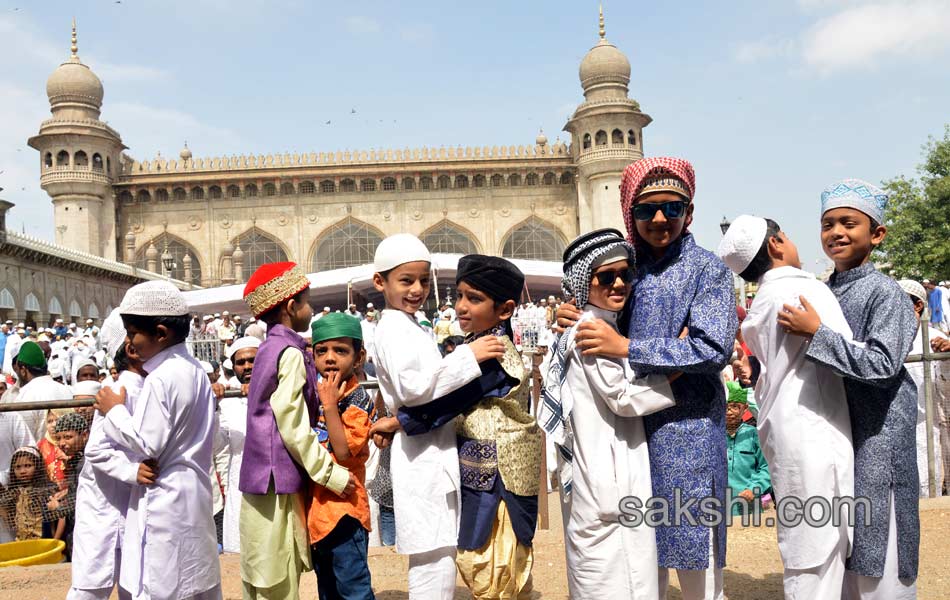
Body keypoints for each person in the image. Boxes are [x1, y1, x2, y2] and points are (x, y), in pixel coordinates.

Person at [556, 157, 736, 600]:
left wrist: (628, 348)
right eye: (646, 210)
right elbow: (603, 313)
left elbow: (713, 349)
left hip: (687, 433)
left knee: (697, 562)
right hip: (631, 440)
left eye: (672, 209)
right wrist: (579, 311)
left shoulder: (706, 270)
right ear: (629, 214)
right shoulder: (628, 266)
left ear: (688, 213)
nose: (659, 219)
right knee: (639, 560)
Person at [779, 179, 919, 599]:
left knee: (884, 555)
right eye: (827, 224)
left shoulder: (885, 293)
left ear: (876, 234)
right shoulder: (825, 289)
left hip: (879, 436)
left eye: (848, 223)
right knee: (849, 553)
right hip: (842, 434)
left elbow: (882, 364)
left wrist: (817, 334)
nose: (836, 232)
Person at [385, 255, 542, 598]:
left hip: (501, 474)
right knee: (483, 559)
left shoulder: (493, 352)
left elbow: (450, 402)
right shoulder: (476, 345)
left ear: (505, 309)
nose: (461, 307)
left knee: (496, 564)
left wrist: (398, 422)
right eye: (459, 296)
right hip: (483, 469)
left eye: (474, 299)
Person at [718, 215, 855, 597]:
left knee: (804, 545)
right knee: (820, 551)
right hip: (815, 428)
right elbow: (852, 357)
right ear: (777, 244)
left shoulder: (762, 299)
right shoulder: (803, 290)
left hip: (788, 427)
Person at [539, 230, 678, 598]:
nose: (619, 284)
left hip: (606, 473)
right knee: (614, 579)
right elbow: (622, 397)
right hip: (609, 477)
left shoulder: (598, 322)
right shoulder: (591, 328)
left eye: (625, 274)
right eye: (606, 277)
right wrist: (678, 365)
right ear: (585, 281)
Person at [369, 234, 505, 599]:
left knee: (440, 553)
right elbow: (414, 388)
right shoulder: (393, 327)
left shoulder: (410, 324)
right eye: (406, 280)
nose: (417, 289)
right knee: (432, 558)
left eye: (423, 281)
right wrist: (468, 356)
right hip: (421, 457)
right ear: (380, 282)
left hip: (431, 451)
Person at [94, 281, 222, 600]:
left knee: (164, 584)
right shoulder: (193, 370)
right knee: (196, 581)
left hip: (166, 498)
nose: (130, 343)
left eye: (134, 332)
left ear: (161, 333)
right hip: (194, 493)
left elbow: (146, 443)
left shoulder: (162, 378)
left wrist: (114, 411)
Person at [238, 262, 356, 599]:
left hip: (264, 479)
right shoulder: (288, 353)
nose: (311, 308)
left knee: (262, 573)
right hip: (276, 483)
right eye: (306, 301)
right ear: (291, 306)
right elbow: (291, 425)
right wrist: (330, 474)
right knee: (276, 579)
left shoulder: (273, 347)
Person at [69, 308, 148, 600]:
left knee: (134, 584)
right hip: (103, 507)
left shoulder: (144, 387)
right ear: (131, 348)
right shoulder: (118, 390)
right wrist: (133, 472)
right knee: (90, 588)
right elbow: (97, 450)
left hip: (128, 505)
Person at [308, 313, 376, 599]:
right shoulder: (317, 391)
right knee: (328, 590)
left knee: (354, 590)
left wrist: (330, 406)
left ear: (358, 357)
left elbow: (345, 453)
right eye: (321, 351)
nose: (330, 358)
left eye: (341, 350)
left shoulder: (358, 399)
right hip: (317, 512)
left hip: (346, 512)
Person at [897, 279, 946, 497]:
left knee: (927, 485)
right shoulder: (884, 338)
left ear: (918, 306)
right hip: (895, 426)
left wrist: (946, 356)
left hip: (927, 426)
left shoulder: (935, 339)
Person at [213, 335, 259, 554]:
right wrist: (213, 406)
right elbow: (217, 444)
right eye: (241, 363)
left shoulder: (279, 389)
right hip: (239, 481)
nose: (247, 366)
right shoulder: (228, 398)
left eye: (252, 360)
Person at [724, 384, 771, 516]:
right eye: (725, 406)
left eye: (735, 406)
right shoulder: (714, 436)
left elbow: (766, 467)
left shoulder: (754, 435)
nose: (729, 412)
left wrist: (753, 489)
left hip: (749, 508)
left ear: (745, 408)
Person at [14, 341, 73, 441]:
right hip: (68, 452)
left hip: (38, 455)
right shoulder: (66, 390)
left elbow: (23, 438)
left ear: (23, 370)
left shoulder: (24, 397)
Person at [0, 446, 61, 541]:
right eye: (18, 467)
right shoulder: (14, 493)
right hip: (22, 542)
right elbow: (9, 519)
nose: (23, 471)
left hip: (44, 541)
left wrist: (56, 539)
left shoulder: (48, 489)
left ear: (37, 466)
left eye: (28, 466)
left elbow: (60, 518)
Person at [37, 407, 69, 484]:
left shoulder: (72, 443)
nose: (54, 425)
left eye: (57, 420)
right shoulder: (41, 445)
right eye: (50, 421)